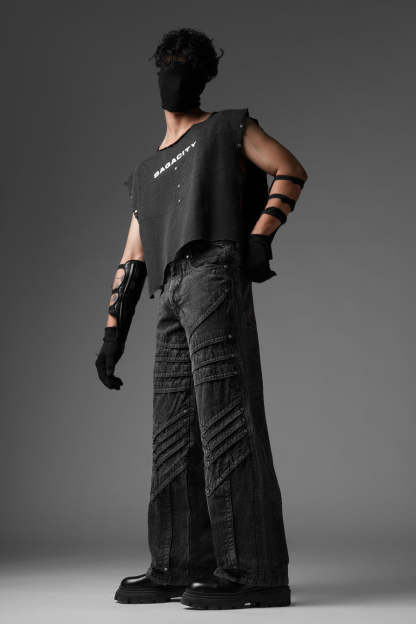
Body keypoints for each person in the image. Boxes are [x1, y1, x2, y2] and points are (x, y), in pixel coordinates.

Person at [95, 27, 307, 610]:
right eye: (170, 62)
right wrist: (113, 335)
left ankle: (255, 572)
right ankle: (176, 565)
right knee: (172, 433)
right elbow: (133, 255)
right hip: (169, 289)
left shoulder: (228, 127)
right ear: (158, 71)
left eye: (189, 63)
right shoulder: (147, 171)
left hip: (214, 268)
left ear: (205, 75)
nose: (177, 72)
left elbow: (289, 169)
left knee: (225, 421)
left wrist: (260, 236)